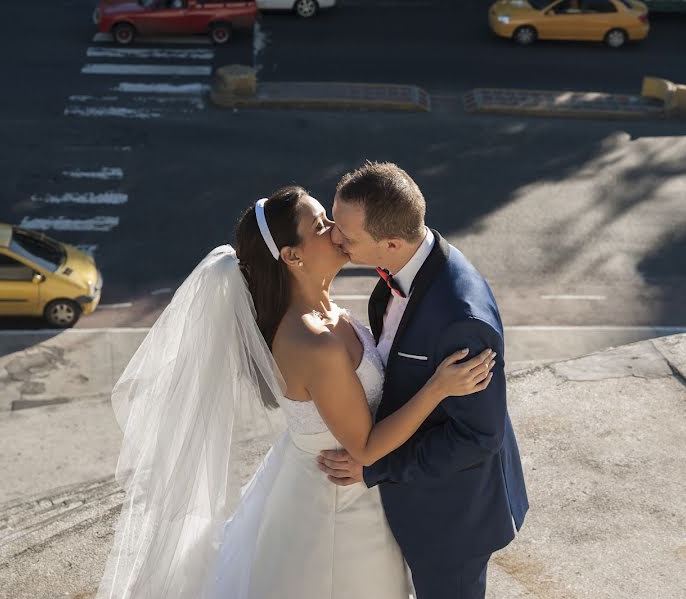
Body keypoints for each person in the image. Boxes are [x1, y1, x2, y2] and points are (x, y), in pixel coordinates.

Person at [95, 186, 497, 599]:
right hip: (335, 511)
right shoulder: (313, 342)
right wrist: (438, 389)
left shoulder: (324, 311)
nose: (336, 231)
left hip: (333, 488)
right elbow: (364, 447)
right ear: (292, 256)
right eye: (322, 225)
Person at [320, 162, 529, 599]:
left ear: (391, 242)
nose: (334, 238)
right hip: (410, 500)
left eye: (347, 235)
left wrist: (376, 465)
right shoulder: (405, 268)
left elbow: (477, 438)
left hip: (451, 518)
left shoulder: (460, 321)